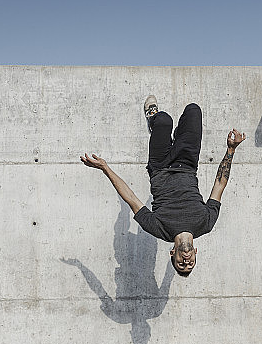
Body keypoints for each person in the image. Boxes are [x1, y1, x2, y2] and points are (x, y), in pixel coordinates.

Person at [80, 95, 245, 276]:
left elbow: (131, 198)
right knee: (193, 110)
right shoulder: (206, 224)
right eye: (190, 264)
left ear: (173, 253)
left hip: (159, 165)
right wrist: (231, 150)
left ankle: (153, 121)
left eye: (181, 265)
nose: (186, 262)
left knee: (163, 121)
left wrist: (105, 168)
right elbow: (220, 184)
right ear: (196, 253)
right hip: (187, 162)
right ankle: (174, 135)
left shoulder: (158, 229)